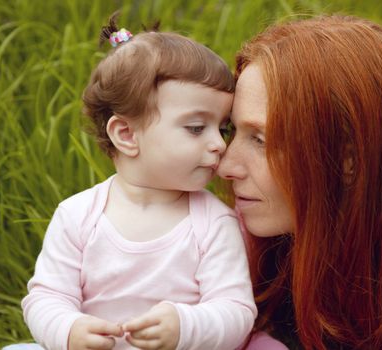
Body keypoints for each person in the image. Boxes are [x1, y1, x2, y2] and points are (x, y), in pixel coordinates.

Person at [218, 15, 382, 350]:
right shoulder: (267, 215)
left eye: (261, 140)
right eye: (231, 132)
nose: (225, 167)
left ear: (348, 158)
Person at [18, 15, 256, 350]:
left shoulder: (214, 223)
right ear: (127, 135)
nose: (219, 144)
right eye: (196, 128)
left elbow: (236, 311)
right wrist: (69, 330)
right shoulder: (77, 215)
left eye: (223, 128)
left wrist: (185, 326)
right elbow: (46, 297)